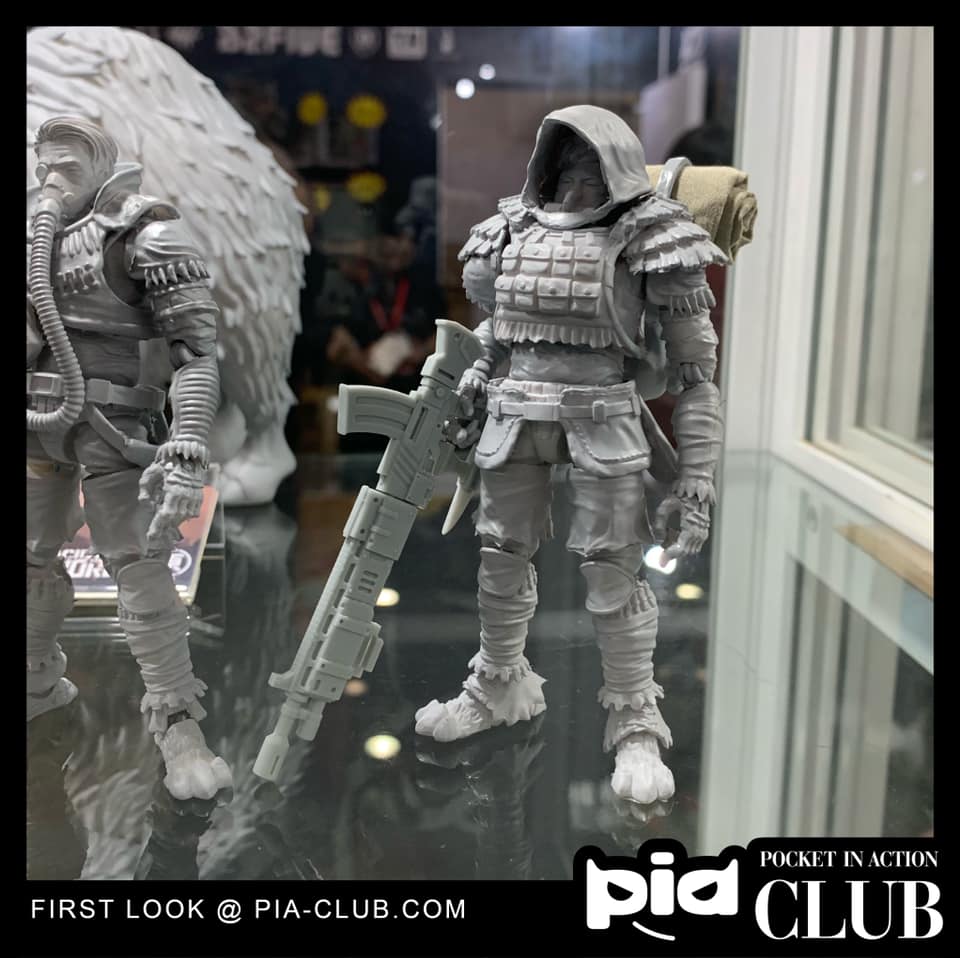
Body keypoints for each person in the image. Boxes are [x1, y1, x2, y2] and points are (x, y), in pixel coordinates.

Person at [414, 106, 726, 805]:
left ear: (616, 168)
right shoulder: (510, 231)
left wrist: (696, 481)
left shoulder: (653, 237)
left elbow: (696, 377)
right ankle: (498, 685)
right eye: (566, 166)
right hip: (514, 417)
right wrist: (480, 366)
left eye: (591, 168)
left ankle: (635, 719)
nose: (577, 182)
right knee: (500, 557)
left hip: (604, 421)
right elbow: (501, 325)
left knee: (613, 573)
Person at [27, 117, 233, 801]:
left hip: (113, 430)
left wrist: (188, 445)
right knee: (30, 556)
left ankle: (177, 723)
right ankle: (35, 679)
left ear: (100, 164)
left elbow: (196, 354)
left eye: (68, 164)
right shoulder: (34, 236)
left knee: (139, 567)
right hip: (37, 424)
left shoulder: (146, 235)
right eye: (44, 164)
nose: (52, 177)